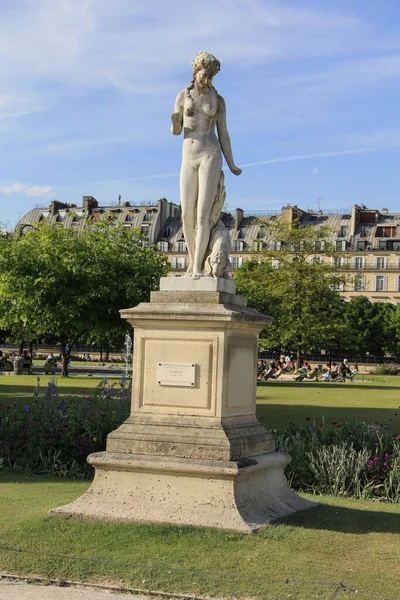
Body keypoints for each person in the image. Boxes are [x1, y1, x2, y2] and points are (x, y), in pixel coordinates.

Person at [171, 51, 242, 278]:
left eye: (211, 76)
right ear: (196, 71)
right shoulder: (183, 96)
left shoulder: (217, 100)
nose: (207, 79)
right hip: (189, 155)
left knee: (203, 214)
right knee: (186, 215)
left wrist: (231, 163)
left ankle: (199, 267)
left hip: (210, 154)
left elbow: (224, 133)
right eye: (204, 74)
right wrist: (174, 122)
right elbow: (177, 130)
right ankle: (192, 262)